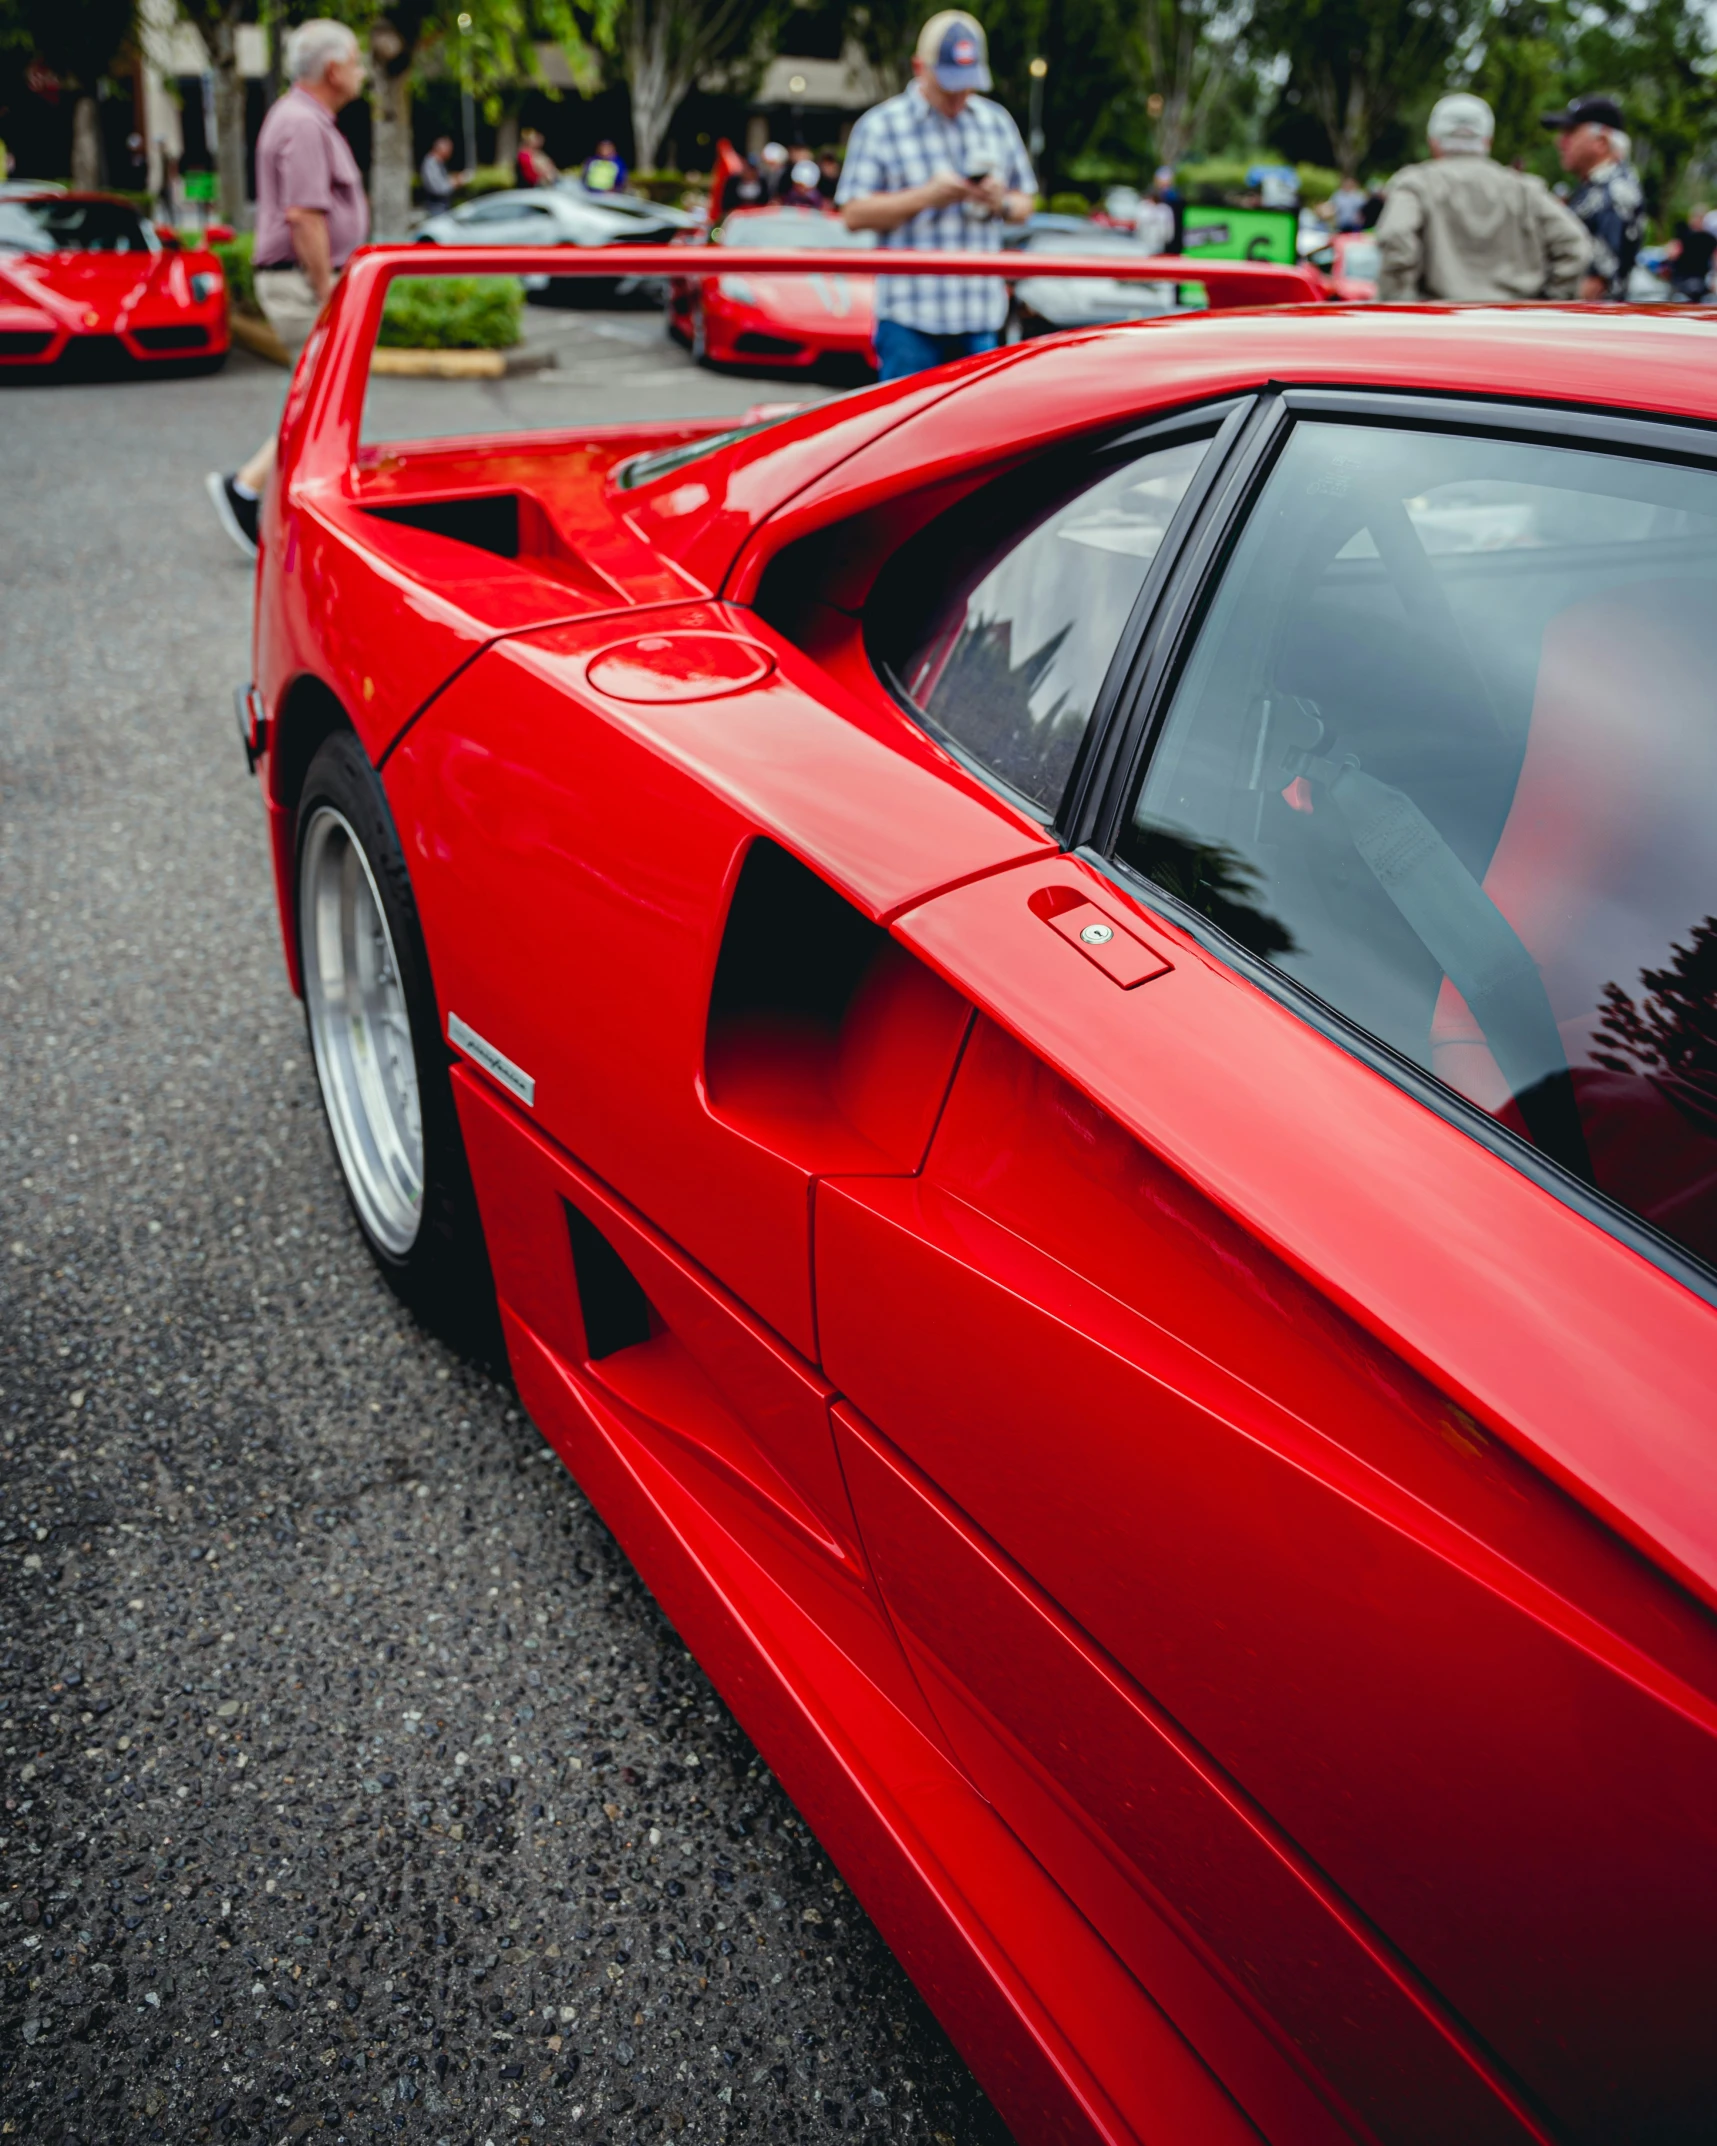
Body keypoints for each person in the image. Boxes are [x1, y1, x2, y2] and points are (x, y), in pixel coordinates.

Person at [205, 20, 368, 561]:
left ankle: (264, 496)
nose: (363, 71)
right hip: (303, 283)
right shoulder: (302, 123)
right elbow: (304, 216)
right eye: (357, 60)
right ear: (333, 69)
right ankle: (249, 489)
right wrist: (327, 291)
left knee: (315, 401)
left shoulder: (305, 118)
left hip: (302, 279)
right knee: (318, 405)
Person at [836, 9, 1035, 382]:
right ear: (918, 67)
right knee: (908, 435)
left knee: (983, 435)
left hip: (978, 314)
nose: (959, 95)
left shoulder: (996, 122)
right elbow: (853, 213)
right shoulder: (881, 126)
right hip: (911, 317)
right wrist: (926, 197)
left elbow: (1025, 204)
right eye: (949, 84)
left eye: (968, 83)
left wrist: (999, 201)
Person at [1374, 91, 1590, 303]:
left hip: (1439, 326)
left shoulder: (1415, 184)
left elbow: (1396, 237)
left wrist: (1402, 304)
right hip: (1515, 326)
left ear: (1433, 141)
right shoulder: (1524, 189)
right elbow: (1574, 246)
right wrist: (1548, 303)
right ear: (1487, 141)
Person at [1541, 93, 1642, 301]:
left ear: (1601, 142)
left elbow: (1596, 283)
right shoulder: (1597, 188)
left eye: (1570, 132)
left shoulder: (1614, 193)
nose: (1560, 142)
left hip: (1586, 325)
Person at [1664, 204, 1717, 302]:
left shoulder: (1683, 234)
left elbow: (1671, 254)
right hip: (1701, 284)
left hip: (1682, 283)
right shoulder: (1710, 239)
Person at [419, 133, 465, 211]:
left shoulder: (439, 163)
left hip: (442, 205)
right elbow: (437, 188)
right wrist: (454, 183)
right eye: (449, 150)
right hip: (436, 207)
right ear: (441, 149)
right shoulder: (431, 164)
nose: (451, 153)